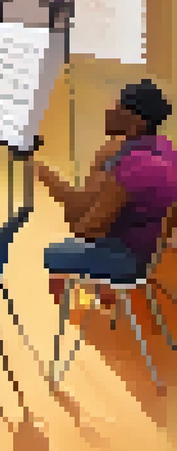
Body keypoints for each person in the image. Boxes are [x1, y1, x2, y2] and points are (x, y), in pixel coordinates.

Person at [39, 80, 177, 294]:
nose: (108, 111)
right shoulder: (167, 150)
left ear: (135, 122)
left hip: (129, 260)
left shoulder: (135, 165)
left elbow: (83, 229)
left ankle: (80, 314)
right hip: (157, 261)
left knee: (53, 253)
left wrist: (96, 167)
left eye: (117, 108)